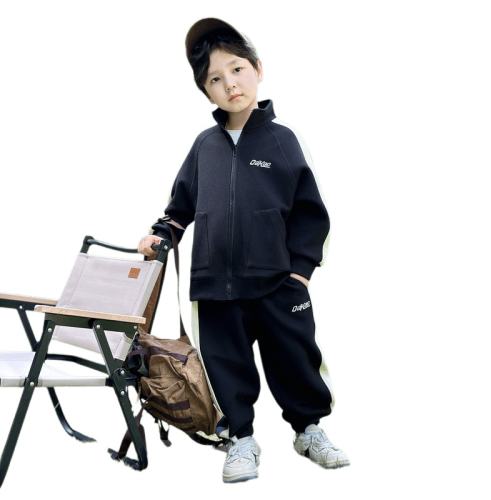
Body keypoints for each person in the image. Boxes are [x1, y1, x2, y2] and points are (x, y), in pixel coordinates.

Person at [137, 17, 350, 483]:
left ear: (258, 69)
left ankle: (309, 430)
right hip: (214, 285)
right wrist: (162, 235)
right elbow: (180, 208)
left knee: (295, 359)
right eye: (215, 79)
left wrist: (300, 272)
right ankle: (240, 439)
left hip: (277, 282)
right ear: (206, 91)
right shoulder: (204, 147)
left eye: (237, 70)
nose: (230, 84)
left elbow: (311, 213)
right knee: (224, 367)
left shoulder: (283, 140)